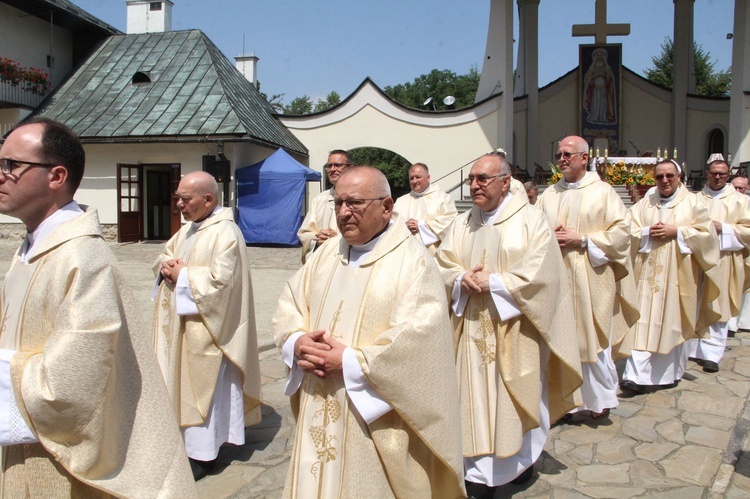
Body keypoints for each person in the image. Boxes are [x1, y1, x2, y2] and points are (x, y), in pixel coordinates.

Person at [0, 118, 197, 497]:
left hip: (60, 465)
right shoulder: (29, 250)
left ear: (56, 176)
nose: (1, 175)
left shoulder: (83, 257)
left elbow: (70, 386)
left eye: (12, 165)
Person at [274, 166, 465, 498]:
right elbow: (291, 302)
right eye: (338, 203)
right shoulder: (325, 256)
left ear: (387, 207)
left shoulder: (413, 262)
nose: (344, 213)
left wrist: (350, 362)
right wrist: (296, 340)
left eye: (355, 203)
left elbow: (421, 340)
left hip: (372, 420)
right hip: (318, 400)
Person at [436, 153, 582, 496]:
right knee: (470, 403)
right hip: (469, 330)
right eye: (471, 179)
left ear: (505, 182)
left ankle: (519, 463)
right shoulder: (461, 223)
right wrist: (459, 279)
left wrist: (496, 283)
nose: (474, 185)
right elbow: (440, 264)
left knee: (516, 399)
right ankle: (475, 474)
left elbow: (543, 274)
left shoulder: (532, 221)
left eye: (483, 179)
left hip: (516, 331)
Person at [153, 171, 262, 480]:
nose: (178, 205)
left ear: (208, 199)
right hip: (183, 328)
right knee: (182, 386)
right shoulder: (190, 229)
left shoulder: (226, 233)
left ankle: (204, 454)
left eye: (184, 199)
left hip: (212, 334)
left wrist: (184, 277)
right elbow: (167, 253)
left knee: (207, 394)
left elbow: (223, 284)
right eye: (178, 198)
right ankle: (184, 444)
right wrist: (166, 266)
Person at [537, 136, 638, 421]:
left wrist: (581, 239)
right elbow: (533, 229)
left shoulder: (603, 192)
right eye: (558, 154)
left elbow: (622, 233)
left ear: (584, 158)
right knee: (559, 337)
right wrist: (548, 235)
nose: (562, 159)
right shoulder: (549, 194)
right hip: (557, 277)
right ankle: (566, 401)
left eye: (568, 154)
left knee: (589, 339)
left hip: (590, 276)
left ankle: (599, 399)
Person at [622, 159, 720, 392]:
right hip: (646, 277)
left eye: (669, 176)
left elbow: (707, 235)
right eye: (659, 177)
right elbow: (628, 229)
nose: (664, 181)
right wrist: (647, 232)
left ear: (679, 177)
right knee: (642, 322)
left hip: (680, 276)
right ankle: (635, 376)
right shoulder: (645, 204)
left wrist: (677, 232)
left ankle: (668, 374)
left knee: (673, 323)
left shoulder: (694, 203)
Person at [688, 159, 750, 372]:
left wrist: (723, 228)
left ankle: (712, 353)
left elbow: (748, 231)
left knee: (718, 304)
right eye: (714, 173)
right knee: (695, 302)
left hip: (724, 259)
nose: (717, 177)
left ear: (728, 175)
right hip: (696, 259)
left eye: (722, 174)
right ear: (707, 173)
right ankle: (693, 348)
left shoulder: (741, 201)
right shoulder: (694, 199)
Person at [297, 149, 353, 263]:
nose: (332, 169)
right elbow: (304, 232)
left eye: (338, 165)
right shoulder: (320, 199)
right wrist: (317, 238)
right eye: (329, 166)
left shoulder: (360, 198)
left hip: (348, 260)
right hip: (321, 260)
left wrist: (336, 239)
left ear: (350, 168)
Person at [392, 162, 458, 253]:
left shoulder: (443, 198)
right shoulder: (400, 201)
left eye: (418, 177)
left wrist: (421, 225)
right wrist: (403, 226)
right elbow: (390, 224)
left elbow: (450, 222)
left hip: (434, 254)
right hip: (406, 254)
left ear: (428, 178)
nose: (414, 181)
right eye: (411, 178)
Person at [729, 175, 750, 333]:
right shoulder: (727, 203)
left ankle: (745, 321)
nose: (737, 191)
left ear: (747, 188)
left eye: (741, 188)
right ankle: (730, 324)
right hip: (732, 250)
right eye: (734, 187)